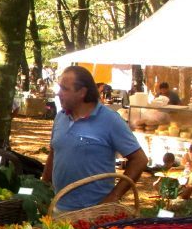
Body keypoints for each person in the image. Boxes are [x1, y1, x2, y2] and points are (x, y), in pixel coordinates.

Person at [41, 65, 148, 211]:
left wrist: (113, 197)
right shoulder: (60, 117)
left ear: (82, 92)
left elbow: (140, 160)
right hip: (57, 209)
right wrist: (43, 189)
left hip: (94, 214)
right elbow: (54, 153)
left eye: (65, 89)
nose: (59, 94)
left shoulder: (110, 120)